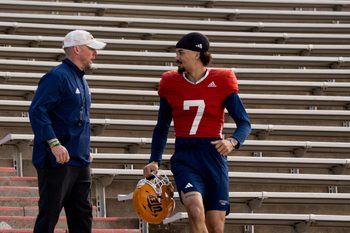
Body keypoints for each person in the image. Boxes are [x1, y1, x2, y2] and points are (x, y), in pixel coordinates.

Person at [143, 32, 251, 233]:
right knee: (194, 209)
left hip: (213, 156)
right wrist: (154, 159)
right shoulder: (170, 82)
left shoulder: (222, 79)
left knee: (215, 226)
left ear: (196, 54)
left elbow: (244, 123)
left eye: (181, 52)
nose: (176, 58)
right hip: (185, 155)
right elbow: (161, 127)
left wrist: (233, 141)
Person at [28, 30, 106, 233]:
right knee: (49, 214)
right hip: (57, 161)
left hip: (80, 160)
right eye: (91, 49)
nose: (95, 54)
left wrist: (85, 149)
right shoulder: (57, 76)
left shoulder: (81, 79)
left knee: (82, 216)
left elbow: (80, 119)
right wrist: (53, 143)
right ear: (77, 49)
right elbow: (37, 111)